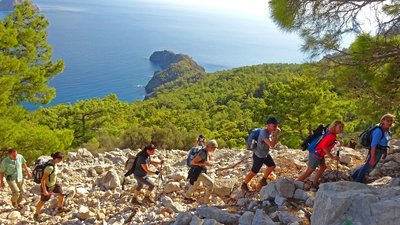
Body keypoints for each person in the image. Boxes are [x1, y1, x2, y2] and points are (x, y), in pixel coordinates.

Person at [297, 120, 344, 191]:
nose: (341, 129)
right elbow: (323, 146)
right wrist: (332, 157)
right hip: (316, 154)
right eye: (340, 127)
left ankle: (314, 182)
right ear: (334, 126)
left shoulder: (331, 133)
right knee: (309, 172)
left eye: (342, 128)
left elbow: (326, 142)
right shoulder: (331, 135)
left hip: (319, 153)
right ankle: (295, 184)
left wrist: (336, 141)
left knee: (323, 167)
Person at [241, 117, 280, 192]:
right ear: (268, 125)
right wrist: (276, 134)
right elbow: (272, 145)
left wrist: (274, 134)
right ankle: (244, 184)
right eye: (274, 126)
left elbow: (271, 143)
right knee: (254, 172)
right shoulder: (264, 133)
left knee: (272, 166)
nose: (276, 127)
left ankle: (263, 180)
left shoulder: (269, 132)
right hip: (259, 155)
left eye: (276, 125)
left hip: (265, 154)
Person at [353, 114, 395, 183]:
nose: (390, 122)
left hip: (380, 151)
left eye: (391, 121)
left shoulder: (387, 130)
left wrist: (385, 152)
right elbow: (373, 145)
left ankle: (354, 176)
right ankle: (359, 180)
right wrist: (372, 157)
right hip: (375, 151)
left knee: (369, 165)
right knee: (369, 166)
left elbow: (384, 141)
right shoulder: (378, 131)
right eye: (388, 120)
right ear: (382, 121)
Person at [185, 139, 218, 204]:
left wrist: (207, 162)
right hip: (197, 171)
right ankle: (206, 202)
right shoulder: (203, 153)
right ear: (209, 146)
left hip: (198, 170)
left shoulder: (206, 150)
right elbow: (193, 162)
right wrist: (205, 164)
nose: (214, 150)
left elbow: (204, 160)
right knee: (210, 184)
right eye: (213, 148)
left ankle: (187, 197)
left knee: (196, 185)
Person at [34, 152, 65, 220]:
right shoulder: (49, 167)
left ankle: (60, 208)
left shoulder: (54, 164)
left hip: (54, 183)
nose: (61, 161)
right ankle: (36, 214)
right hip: (47, 186)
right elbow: (43, 180)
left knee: (61, 194)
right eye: (60, 159)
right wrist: (45, 190)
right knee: (43, 201)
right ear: (56, 159)